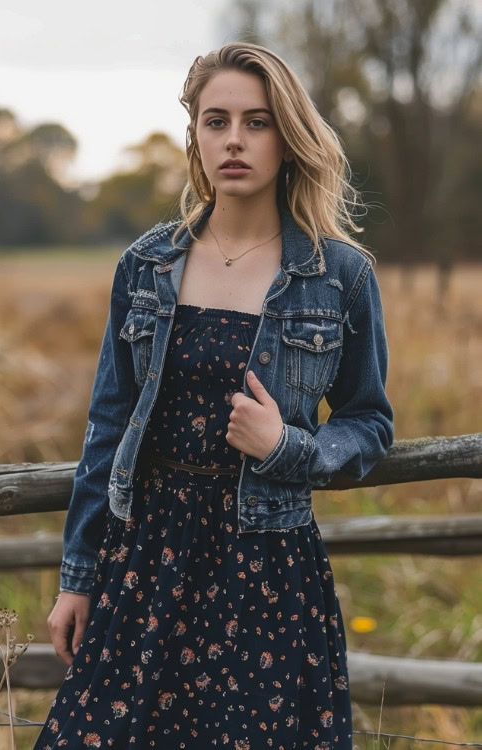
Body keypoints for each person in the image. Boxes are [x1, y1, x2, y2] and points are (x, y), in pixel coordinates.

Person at [34, 41, 393, 749]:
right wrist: (78, 577)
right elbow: (107, 428)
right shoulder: (146, 265)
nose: (235, 140)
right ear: (194, 135)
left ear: (288, 138)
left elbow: (369, 422)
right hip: (146, 561)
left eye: (257, 122)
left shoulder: (339, 276)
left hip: (265, 569)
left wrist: (288, 447)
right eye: (216, 120)